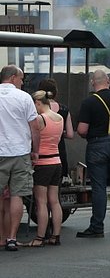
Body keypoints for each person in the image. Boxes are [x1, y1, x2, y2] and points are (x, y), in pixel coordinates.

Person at [75, 70, 110, 238]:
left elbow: (82, 129)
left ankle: (97, 226)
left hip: (97, 145)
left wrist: (86, 135)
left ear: (92, 82)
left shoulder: (89, 102)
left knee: (99, 188)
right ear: (108, 80)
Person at [0, 65, 40, 251]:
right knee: (17, 195)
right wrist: (35, 151)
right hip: (20, 152)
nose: (22, 83)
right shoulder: (24, 98)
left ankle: (1, 236)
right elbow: (34, 127)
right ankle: (12, 238)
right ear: (14, 77)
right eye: (21, 79)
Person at [25, 90, 64, 247]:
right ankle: (56, 235)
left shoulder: (40, 119)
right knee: (54, 201)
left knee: (41, 202)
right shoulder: (59, 118)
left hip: (42, 163)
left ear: (38, 103)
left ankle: (40, 237)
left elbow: (33, 137)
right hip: (56, 161)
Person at [37, 78, 74, 183]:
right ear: (55, 92)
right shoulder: (64, 109)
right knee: (56, 190)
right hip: (59, 153)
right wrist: (60, 132)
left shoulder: (38, 109)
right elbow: (71, 134)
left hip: (42, 154)